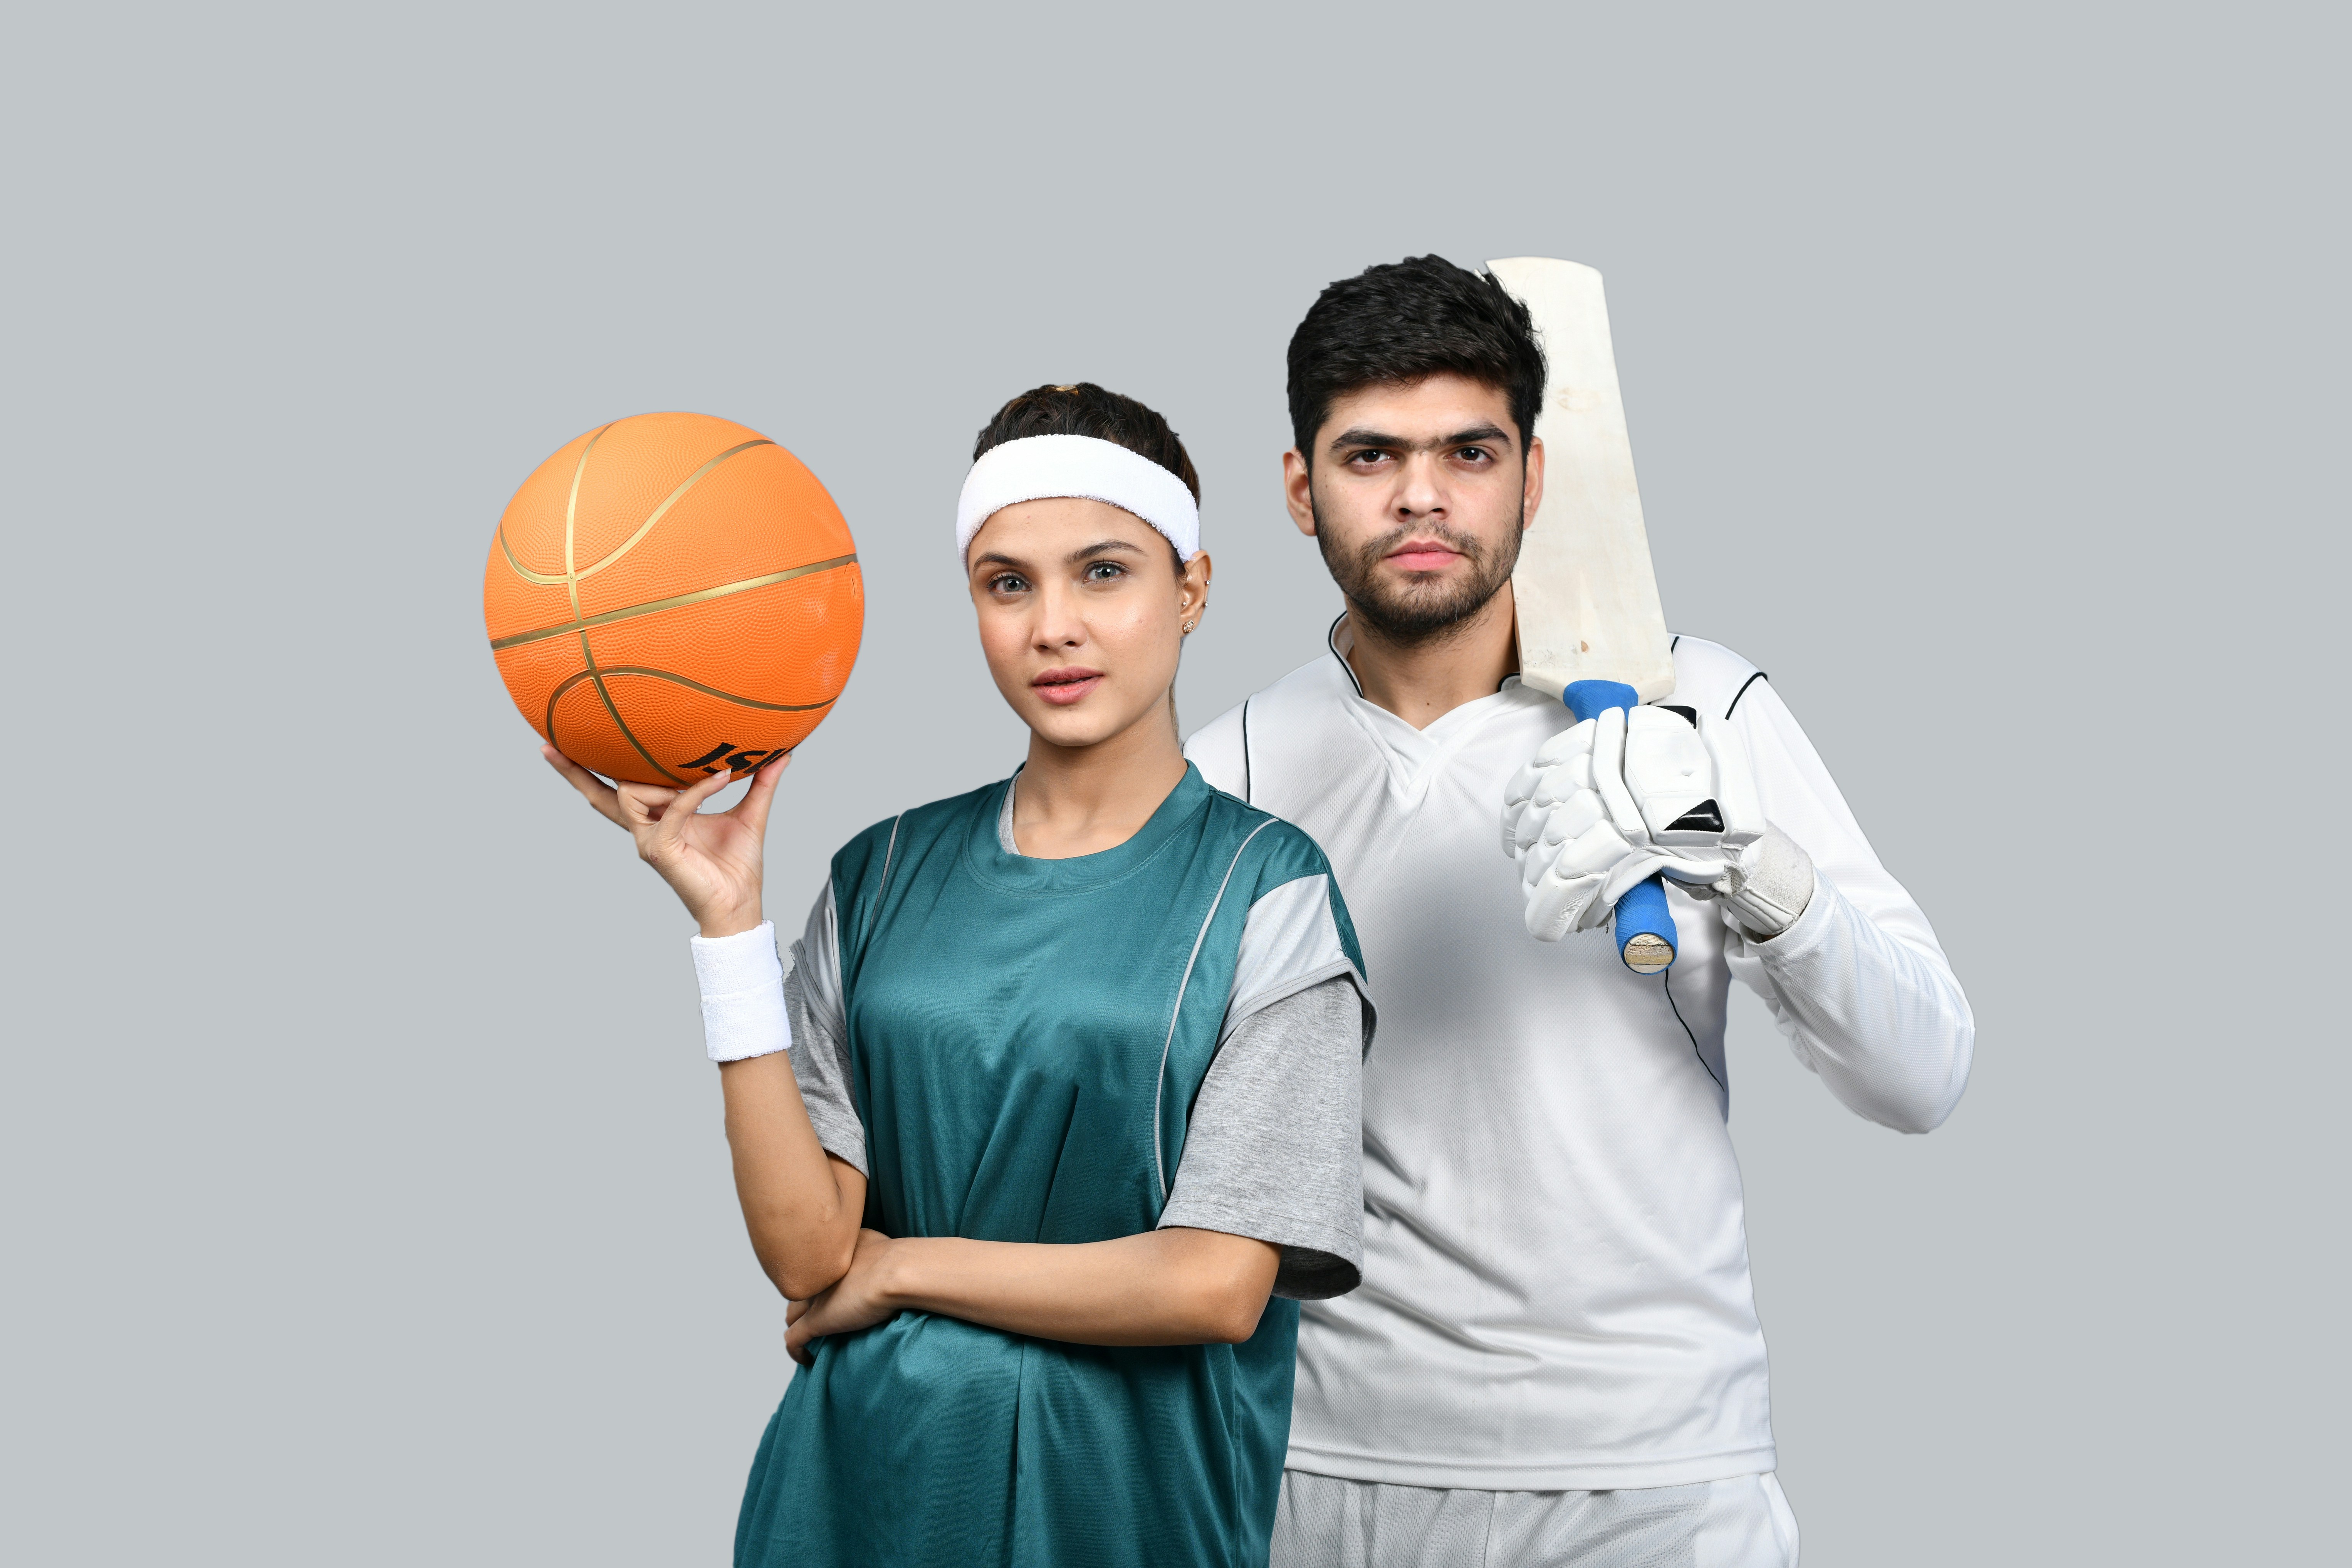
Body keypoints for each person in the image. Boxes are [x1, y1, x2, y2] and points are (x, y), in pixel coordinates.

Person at [1183, 257, 1976, 1568]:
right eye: (1371, 454)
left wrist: (1742, 857)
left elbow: (1924, 1074)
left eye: (1469, 452)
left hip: (1659, 1471)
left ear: (1535, 479)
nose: (1422, 495)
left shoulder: (1698, 708)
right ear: (1297, 488)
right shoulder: (1228, 773)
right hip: (1322, 1475)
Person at [545, 383, 1374, 1568]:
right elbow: (805, 1257)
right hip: (853, 1502)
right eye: (1007, 583)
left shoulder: (1267, 893)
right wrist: (729, 929)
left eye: (1103, 573)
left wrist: (902, 1271)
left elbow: (1212, 1284)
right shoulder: (883, 873)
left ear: (1190, 587)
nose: (1053, 627)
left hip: (1126, 1521)